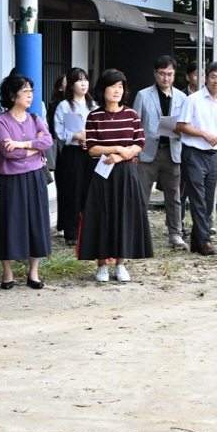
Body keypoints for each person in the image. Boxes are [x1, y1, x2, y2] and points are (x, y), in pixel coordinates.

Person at [77, 68, 154, 282]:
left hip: (126, 172)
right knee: (101, 216)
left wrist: (121, 155)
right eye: (113, 86)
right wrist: (117, 148)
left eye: (121, 87)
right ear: (103, 89)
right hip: (102, 174)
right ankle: (102, 264)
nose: (117, 90)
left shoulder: (131, 114)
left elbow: (139, 143)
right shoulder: (94, 116)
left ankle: (121, 264)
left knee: (124, 216)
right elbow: (91, 147)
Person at [0, 73, 53, 287]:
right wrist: (35, 147)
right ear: (12, 95)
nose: (30, 95)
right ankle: (8, 274)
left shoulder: (35, 118)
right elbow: (9, 154)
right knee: (8, 224)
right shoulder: (1, 122)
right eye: (25, 91)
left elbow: (48, 141)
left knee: (36, 223)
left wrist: (23, 145)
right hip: (10, 180)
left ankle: (34, 273)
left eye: (31, 91)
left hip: (34, 178)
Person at [174, 61, 217, 255]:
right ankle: (205, 241)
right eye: (214, 77)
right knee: (197, 197)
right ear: (206, 78)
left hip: (212, 156)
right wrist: (203, 134)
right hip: (193, 152)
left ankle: (197, 241)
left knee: (208, 199)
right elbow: (181, 125)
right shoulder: (193, 100)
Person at [132, 55, 187, 248]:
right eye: (162, 74)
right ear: (155, 73)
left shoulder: (182, 97)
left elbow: (187, 124)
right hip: (148, 151)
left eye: (170, 74)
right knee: (141, 195)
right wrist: (135, 152)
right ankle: (138, 233)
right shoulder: (143, 95)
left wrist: (181, 130)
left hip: (172, 150)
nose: (166, 78)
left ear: (175, 74)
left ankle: (175, 233)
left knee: (174, 196)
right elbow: (135, 125)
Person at [50, 67, 94, 242]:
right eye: (79, 80)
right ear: (71, 84)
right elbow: (58, 131)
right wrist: (76, 136)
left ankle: (87, 230)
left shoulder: (94, 105)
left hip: (90, 151)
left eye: (85, 80)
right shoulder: (64, 106)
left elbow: (99, 128)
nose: (83, 84)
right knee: (72, 192)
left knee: (89, 190)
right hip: (71, 153)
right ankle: (71, 232)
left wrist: (89, 139)